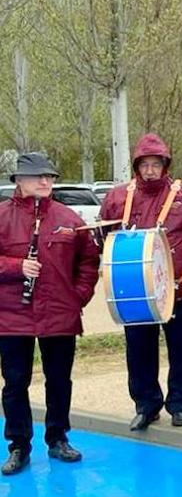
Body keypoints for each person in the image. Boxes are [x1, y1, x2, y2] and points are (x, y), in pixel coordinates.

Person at [100, 133, 182, 430]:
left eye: (156, 164)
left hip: (178, 288)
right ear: (136, 166)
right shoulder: (118, 197)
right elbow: (104, 236)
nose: (150, 170)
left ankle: (180, 405)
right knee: (139, 349)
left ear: (165, 165)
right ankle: (146, 405)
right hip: (135, 290)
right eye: (145, 164)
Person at [0, 153, 100, 475]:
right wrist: (16, 266)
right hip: (12, 317)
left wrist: (78, 297)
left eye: (49, 176)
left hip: (59, 315)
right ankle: (18, 446)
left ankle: (58, 438)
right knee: (15, 383)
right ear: (19, 180)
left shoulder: (69, 218)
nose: (46, 181)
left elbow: (88, 262)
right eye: (37, 176)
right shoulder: (1, 216)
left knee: (59, 381)